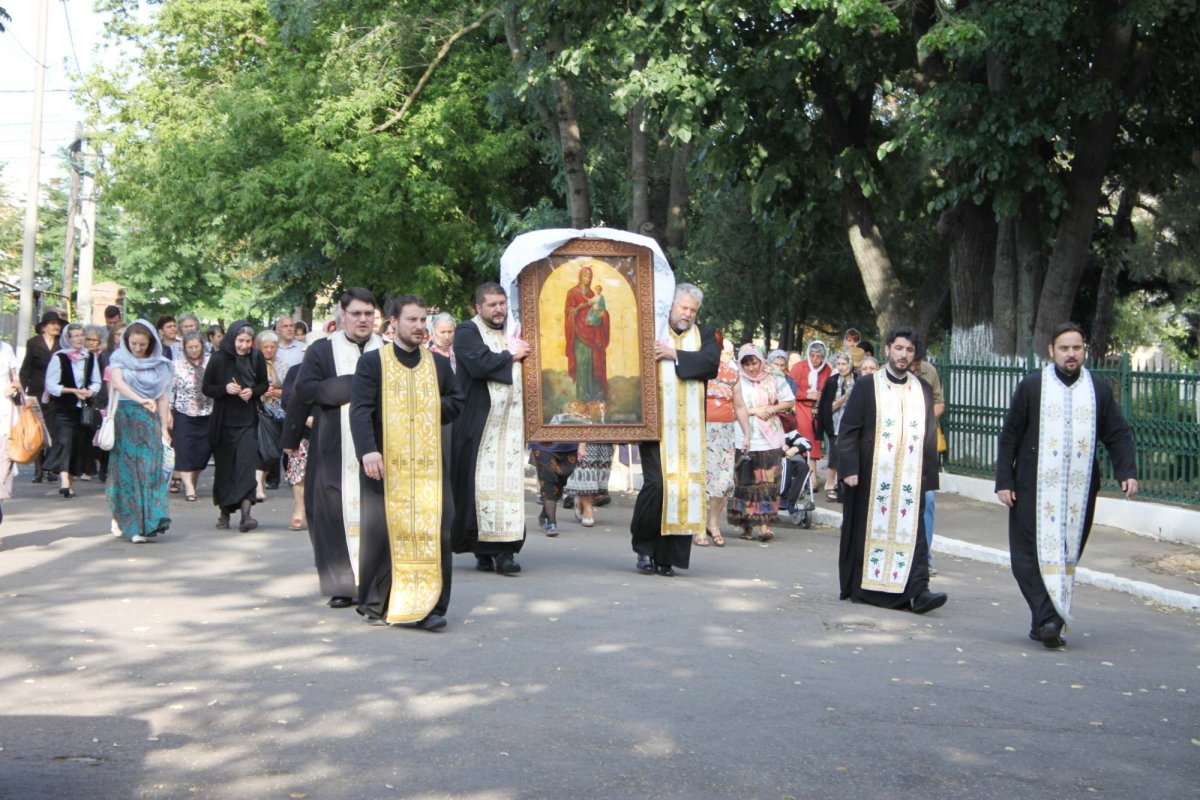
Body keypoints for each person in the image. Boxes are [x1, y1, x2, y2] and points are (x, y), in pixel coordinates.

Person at [995, 323, 1137, 648]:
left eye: (1077, 348)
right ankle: (1047, 618)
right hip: (1030, 487)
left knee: (1064, 556)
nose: (1071, 354)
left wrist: (1126, 471)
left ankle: (1047, 622)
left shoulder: (1097, 389)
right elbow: (1010, 436)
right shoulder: (1032, 386)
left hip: (1079, 491)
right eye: (1064, 348)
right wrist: (1004, 480)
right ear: (1051, 351)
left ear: (1084, 349)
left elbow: (1117, 433)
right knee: (1025, 559)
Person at [351, 295, 464, 629]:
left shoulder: (438, 365)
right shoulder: (374, 362)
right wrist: (368, 450)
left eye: (422, 321)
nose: (419, 327)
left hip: (429, 466)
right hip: (384, 462)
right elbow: (360, 410)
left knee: (436, 531)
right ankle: (378, 602)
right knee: (384, 532)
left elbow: (456, 402)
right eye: (411, 320)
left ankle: (432, 607)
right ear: (393, 323)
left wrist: (428, 405)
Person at [281, 288, 382, 608]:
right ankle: (341, 585)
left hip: (377, 447)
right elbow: (306, 390)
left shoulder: (388, 350)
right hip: (332, 448)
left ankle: (376, 582)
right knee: (330, 515)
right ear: (342, 315)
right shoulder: (322, 351)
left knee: (376, 516)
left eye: (368, 313)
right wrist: (356, 383)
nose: (363, 319)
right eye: (356, 313)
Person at [837, 327, 945, 614]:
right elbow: (848, 431)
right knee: (868, 529)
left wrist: (928, 478)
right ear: (887, 350)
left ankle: (918, 591)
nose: (903, 355)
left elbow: (929, 434)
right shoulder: (867, 386)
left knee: (915, 532)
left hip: (910, 475)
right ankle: (869, 588)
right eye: (898, 348)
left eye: (909, 350)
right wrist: (849, 468)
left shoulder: (920, 388)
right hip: (873, 474)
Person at [630, 284, 720, 576]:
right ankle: (645, 550)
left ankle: (667, 558)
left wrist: (673, 353)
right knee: (657, 485)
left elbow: (710, 363)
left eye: (693, 310)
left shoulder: (704, 334)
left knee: (685, 488)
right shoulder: (652, 330)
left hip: (688, 431)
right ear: (671, 305)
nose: (688, 314)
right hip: (655, 426)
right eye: (684, 307)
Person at [450, 282, 531, 575]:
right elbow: (478, 364)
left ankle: (504, 549)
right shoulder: (466, 331)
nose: (499, 309)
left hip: (509, 424)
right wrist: (510, 355)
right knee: (477, 487)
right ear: (478, 307)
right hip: (476, 422)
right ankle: (483, 549)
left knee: (507, 485)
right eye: (492, 304)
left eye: (502, 303)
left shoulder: (513, 331)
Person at [106, 320, 174, 543]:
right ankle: (129, 523)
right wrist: (140, 399)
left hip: (149, 419)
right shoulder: (118, 358)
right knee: (127, 473)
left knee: (149, 472)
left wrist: (164, 426)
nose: (137, 348)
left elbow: (162, 396)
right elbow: (117, 384)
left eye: (142, 344)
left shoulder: (160, 364)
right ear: (127, 341)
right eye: (133, 343)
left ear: (151, 343)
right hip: (125, 418)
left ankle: (148, 522)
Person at [203, 320, 267, 532]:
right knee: (225, 469)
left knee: (246, 468)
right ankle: (224, 513)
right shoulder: (218, 358)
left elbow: (263, 384)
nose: (244, 346)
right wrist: (224, 388)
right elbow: (207, 388)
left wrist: (253, 391)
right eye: (240, 340)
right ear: (232, 339)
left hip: (247, 421)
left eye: (248, 341)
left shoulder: (256, 358)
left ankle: (247, 516)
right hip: (223, 423)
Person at [728, 344, 795, 542]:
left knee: (767, 483)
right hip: (743, 435)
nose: (751, 367)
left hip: (769, 437)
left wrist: (771, 409)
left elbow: (789, 401)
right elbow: (731, 407)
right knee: (745, 483)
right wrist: (754, 411)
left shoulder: (773, 377)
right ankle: (746, 526)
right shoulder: (735, 378)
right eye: (746, 363)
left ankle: (765, 526)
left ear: (761, 360)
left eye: (754, 362)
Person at [699, 337, 750, 547]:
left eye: (728, 353)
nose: (723, 356)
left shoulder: (732, 374)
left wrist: (746, 434)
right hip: (701, 429)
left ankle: (713, 523)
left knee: (723, 480)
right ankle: (698, 526)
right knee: (701, 478)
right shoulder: (700, 370)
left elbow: (739, 406)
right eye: (721, 352)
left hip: (726, 432)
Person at [44, 323, 101, 498]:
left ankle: (70, 482)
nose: (79, 339)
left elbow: (96, 382)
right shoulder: (59, 357)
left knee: (78, 445)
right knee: (64, 442)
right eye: (75, 336)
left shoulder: (89, 357)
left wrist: (89, 391)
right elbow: (51, 385)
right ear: (67, 339)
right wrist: (73, 391)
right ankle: (64, 482)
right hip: (64, 407)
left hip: (83, 410)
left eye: (81, 335)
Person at [908, 347, 946, 571]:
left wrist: (923, 420)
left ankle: (925, 558)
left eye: (917, 364)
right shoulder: (886, 375)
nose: (913, 368)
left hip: (925, 445)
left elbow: (939, 402)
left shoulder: (929, 371)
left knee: (928, 499)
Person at [19, 309, 66, 484]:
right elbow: (26, 369)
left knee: (54, 431)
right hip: (37, 392)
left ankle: (51, 468)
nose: (57, 326)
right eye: (53, 324)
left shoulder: (62, 344)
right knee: (37, 431)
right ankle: (38, 470)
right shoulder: (33, 343)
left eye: (58, 324)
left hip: (56, 394)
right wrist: (21, 392)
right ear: (44, 327)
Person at [170, 331, 213, 502]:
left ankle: (192, 482)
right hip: (184, 413)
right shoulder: (176, 365)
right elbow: (170, 390)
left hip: (208, 412)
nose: (194, 350)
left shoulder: (210, 362)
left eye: (197, 346)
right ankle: (188, 487)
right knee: (184, 451)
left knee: (203, 452)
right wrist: (168, 412)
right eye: (190, 347)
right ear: (184, 348)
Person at [564, 265, 609, 402]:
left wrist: (603, 315)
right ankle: (582, 398)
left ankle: (593, 397)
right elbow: (568, 310)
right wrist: (575, 310)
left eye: (589, 276)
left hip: (592, 334)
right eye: (585, 275)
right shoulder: (572, 292)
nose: (587, 279)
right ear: (580, 276)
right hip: (579, 333)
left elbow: (599, 310)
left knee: (592, 364)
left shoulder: (592, 295)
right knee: (582, 363)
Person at [817, 351, 855, 501]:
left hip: (851, 423)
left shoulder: (857, 380)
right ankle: (829, 483)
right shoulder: (832, 381)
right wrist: (842, 400)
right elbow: (827, 407)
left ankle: (842, 485)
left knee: (847, 454)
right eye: (838, 364)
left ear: (850, 364)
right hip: (835, 423)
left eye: (844, 364)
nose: (841, 367)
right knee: (834, 453)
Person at [788, 340, 831, 466]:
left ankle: (812, 475)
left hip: (818, 410)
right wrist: (806, 395)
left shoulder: (827, 370)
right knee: (807, 439)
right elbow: (788, 388)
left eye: (819, 356)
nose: (815, 359)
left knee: (816, 441)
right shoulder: (799, 367)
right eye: (812, 355)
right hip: (801, 408)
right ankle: (811, 477)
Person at [255, 330, 285, 496]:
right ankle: (258, 484)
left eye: (272, 347)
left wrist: (276, 393)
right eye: (265, 347)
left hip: (279, 413)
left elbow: (290, 390)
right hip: (260, 412)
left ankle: (268, 479)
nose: (268, 350)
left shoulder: (282, 365)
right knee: (261, 448)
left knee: (274, 449)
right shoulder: (254, 364)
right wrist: (261, 392)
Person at [530, 441, 579, 536]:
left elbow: (584, 426)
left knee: (558, 483)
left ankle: (544, 515)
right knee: (548, 481)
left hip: (570, 442)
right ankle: (551, 523)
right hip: (542, 441)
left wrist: (583, 444)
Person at [563, 442, 615, 529]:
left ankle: (581, 500)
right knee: (586, 466)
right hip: (586, 433)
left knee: (600, 468)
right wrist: (582, 442)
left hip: (603, 434)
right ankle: (587, 507)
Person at [0, 338, 20, 501]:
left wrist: (13, 388)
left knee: (5, 462)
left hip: (5, 414)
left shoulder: (6, 349)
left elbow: (15, 379)